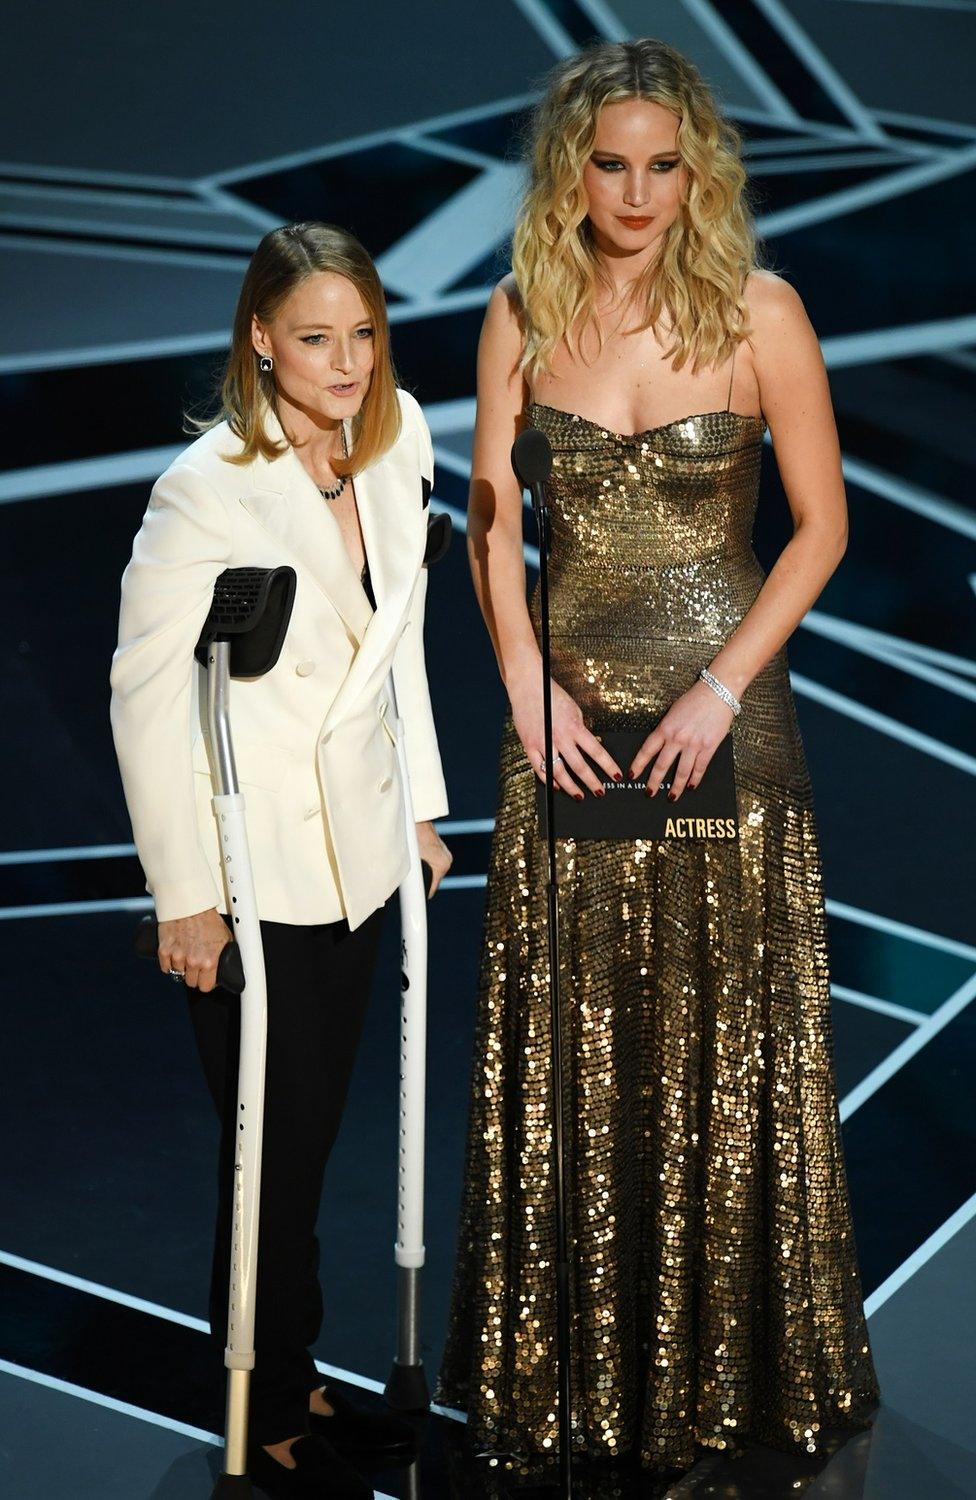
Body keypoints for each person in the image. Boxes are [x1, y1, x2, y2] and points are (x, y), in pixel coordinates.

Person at [435, 39, 879, 1481]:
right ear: (572, 170)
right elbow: (491, 522)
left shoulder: (762, 313)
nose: (635, 194)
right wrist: (523, 684)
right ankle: (574, 1377)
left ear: (701, 170)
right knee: (575, 1048)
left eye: (663, 165)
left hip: (721, 724)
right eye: (610, 164)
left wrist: (718, 685)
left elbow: (820, 527)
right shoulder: (519, 313)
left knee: (721, 1046)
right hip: (558, 727)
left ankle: (724, 1381)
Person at [109, 221, 452, 1499]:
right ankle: (257, 1405)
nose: (348, 361)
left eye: (362, 333)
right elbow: (148, 699)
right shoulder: (208, 489)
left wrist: (417, 802)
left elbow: (396, 644)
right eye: (316, 338)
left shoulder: (397, 438)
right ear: (261, 338)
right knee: (270, 1146)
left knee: (306, 1144)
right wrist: (185, 895)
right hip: (254, 879)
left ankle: (298, 1374)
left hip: (357, 856)